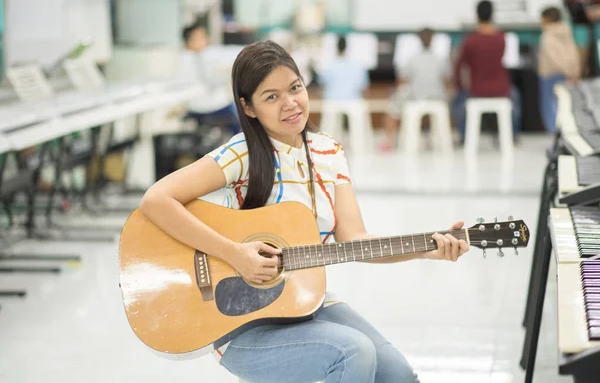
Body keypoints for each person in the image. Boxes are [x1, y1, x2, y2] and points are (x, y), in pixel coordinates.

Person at [140, 40, 469, 383]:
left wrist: (426, 250)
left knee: (398, 375)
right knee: (353, 352)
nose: (291, 103)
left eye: (295, 88)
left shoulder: (330, 153)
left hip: (306, 305)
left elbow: (355, 239)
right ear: (248, 107)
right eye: (271, 96)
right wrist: (235, 254)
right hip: (239, 325)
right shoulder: (242, 155)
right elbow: (156, 200)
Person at [451, 0, 522, 142]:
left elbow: (458, 67)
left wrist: (459, 86)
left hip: (477, 89)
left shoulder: (470, 41)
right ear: (492, 14)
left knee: (457, 102)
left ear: (476, 15)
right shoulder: (502, 38)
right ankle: (512, 136)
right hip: (501, 88)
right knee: (516, 97)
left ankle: (464, 136)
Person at [380, 28, 451, 151]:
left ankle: (389, 141)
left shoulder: (412, 60)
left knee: (393, 106)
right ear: (432, 40)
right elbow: (447, 80)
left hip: (416, 97)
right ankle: (445, 141)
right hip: (438, 98)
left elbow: (402, 80)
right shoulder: (441, 60)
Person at [178, 23, 240, 134]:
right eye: (200, 37)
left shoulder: (183, 59)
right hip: (213, 107)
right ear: (189, 42)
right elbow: (213, 80)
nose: (206, 39)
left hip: (193, 109)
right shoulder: (200, 57)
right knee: (242, 128)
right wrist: (228, 71)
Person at [538, 6, 580, 133]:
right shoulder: (567, 32)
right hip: (569, 75)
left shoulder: (547, 35)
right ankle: (566, 135)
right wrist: (574, 71)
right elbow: (574, 52)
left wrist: (566, 70)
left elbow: (553, 58)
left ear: (547, 19)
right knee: (565, 106)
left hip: (550, 74)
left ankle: (555, 135)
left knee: (550, 107)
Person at [318, 36, 370, 101]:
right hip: (353, 104)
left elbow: (321, 87)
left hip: (332, 103)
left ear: (336, 47)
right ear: (347, 47)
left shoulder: (327, 66)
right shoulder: (358, 66)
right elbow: (364, 89)